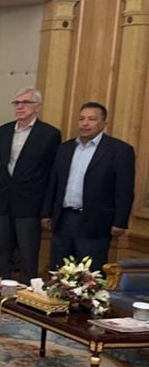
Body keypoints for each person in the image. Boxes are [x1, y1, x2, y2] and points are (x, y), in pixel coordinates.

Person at [42, 101, 135, 273]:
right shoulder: (65, 148)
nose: (85, 123)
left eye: (92, 119)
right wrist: (47, 212)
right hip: (63, 220)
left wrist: (120, 222)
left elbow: (124, 190)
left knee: (90, 274)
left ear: (103, 124)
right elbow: (54, 183)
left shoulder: (120, 151)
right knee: (59, 271)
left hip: (95, 222)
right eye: (81, 119)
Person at [0, 87, 61, 283]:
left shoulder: (49, 134)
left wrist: (46, 210)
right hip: (4, 200)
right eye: (16, 103)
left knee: (28, 253)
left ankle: (26, 294)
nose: (19, 107)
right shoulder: (3, 131)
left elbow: (51, 173)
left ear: (37, 107)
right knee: (2, 251)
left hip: (31, 203)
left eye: (25, 103)